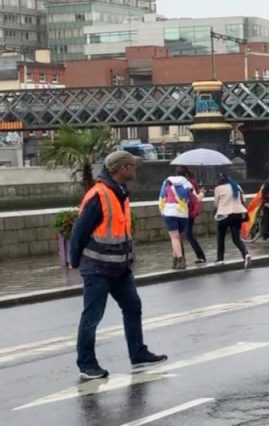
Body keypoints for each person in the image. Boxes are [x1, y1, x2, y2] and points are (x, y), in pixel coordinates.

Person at [69, 151, 167, 380]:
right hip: (98, 268)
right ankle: (86, 363)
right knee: (92, 316)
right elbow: (79, 232)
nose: (135, 169)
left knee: (133, 307)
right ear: (122, 169)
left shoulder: (120, 193)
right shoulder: (99, 195)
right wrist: (75, 262)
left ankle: (138, 352)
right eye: (132, 166)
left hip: (119, 268)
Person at [158, 170, 198, 270]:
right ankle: (175, 260)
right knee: (177, 237)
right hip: (182, 213)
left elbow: (162, 197)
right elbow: (195, 197)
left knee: (174, 237)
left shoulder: (166, 182)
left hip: (169, 212)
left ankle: (180, 259)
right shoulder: (186, 183)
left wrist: (162, 211)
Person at [213, 172, 251, 267]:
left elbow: (216, 204)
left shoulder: (218, 189)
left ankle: (220, 259)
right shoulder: (236, 186)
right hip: (237, 214)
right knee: (236, 238)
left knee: (221, 237)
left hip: (224, 215)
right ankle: (246, 254)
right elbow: (244, 200)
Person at [178, 166, 207, 264]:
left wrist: (201, 193)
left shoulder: (185, 183)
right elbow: (197, 195)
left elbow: (193, 197)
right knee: (185, 234)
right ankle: (184, 257)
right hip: (190, 211)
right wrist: (201, 193)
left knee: (187, 235)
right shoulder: (192, 181)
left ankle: (199, 256)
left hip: (187, 211)